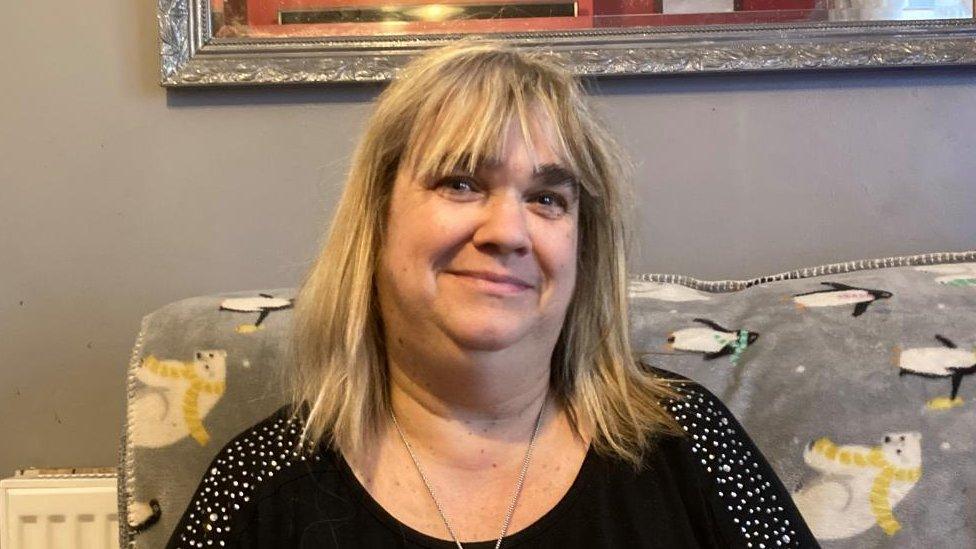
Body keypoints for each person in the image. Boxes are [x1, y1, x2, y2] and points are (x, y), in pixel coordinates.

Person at [168, 40, 819, 548]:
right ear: (377, 219)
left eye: (545, 198)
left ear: (582, 248)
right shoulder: (257, 487)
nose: (508, 231)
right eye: (460, 183)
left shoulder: (690, 443)